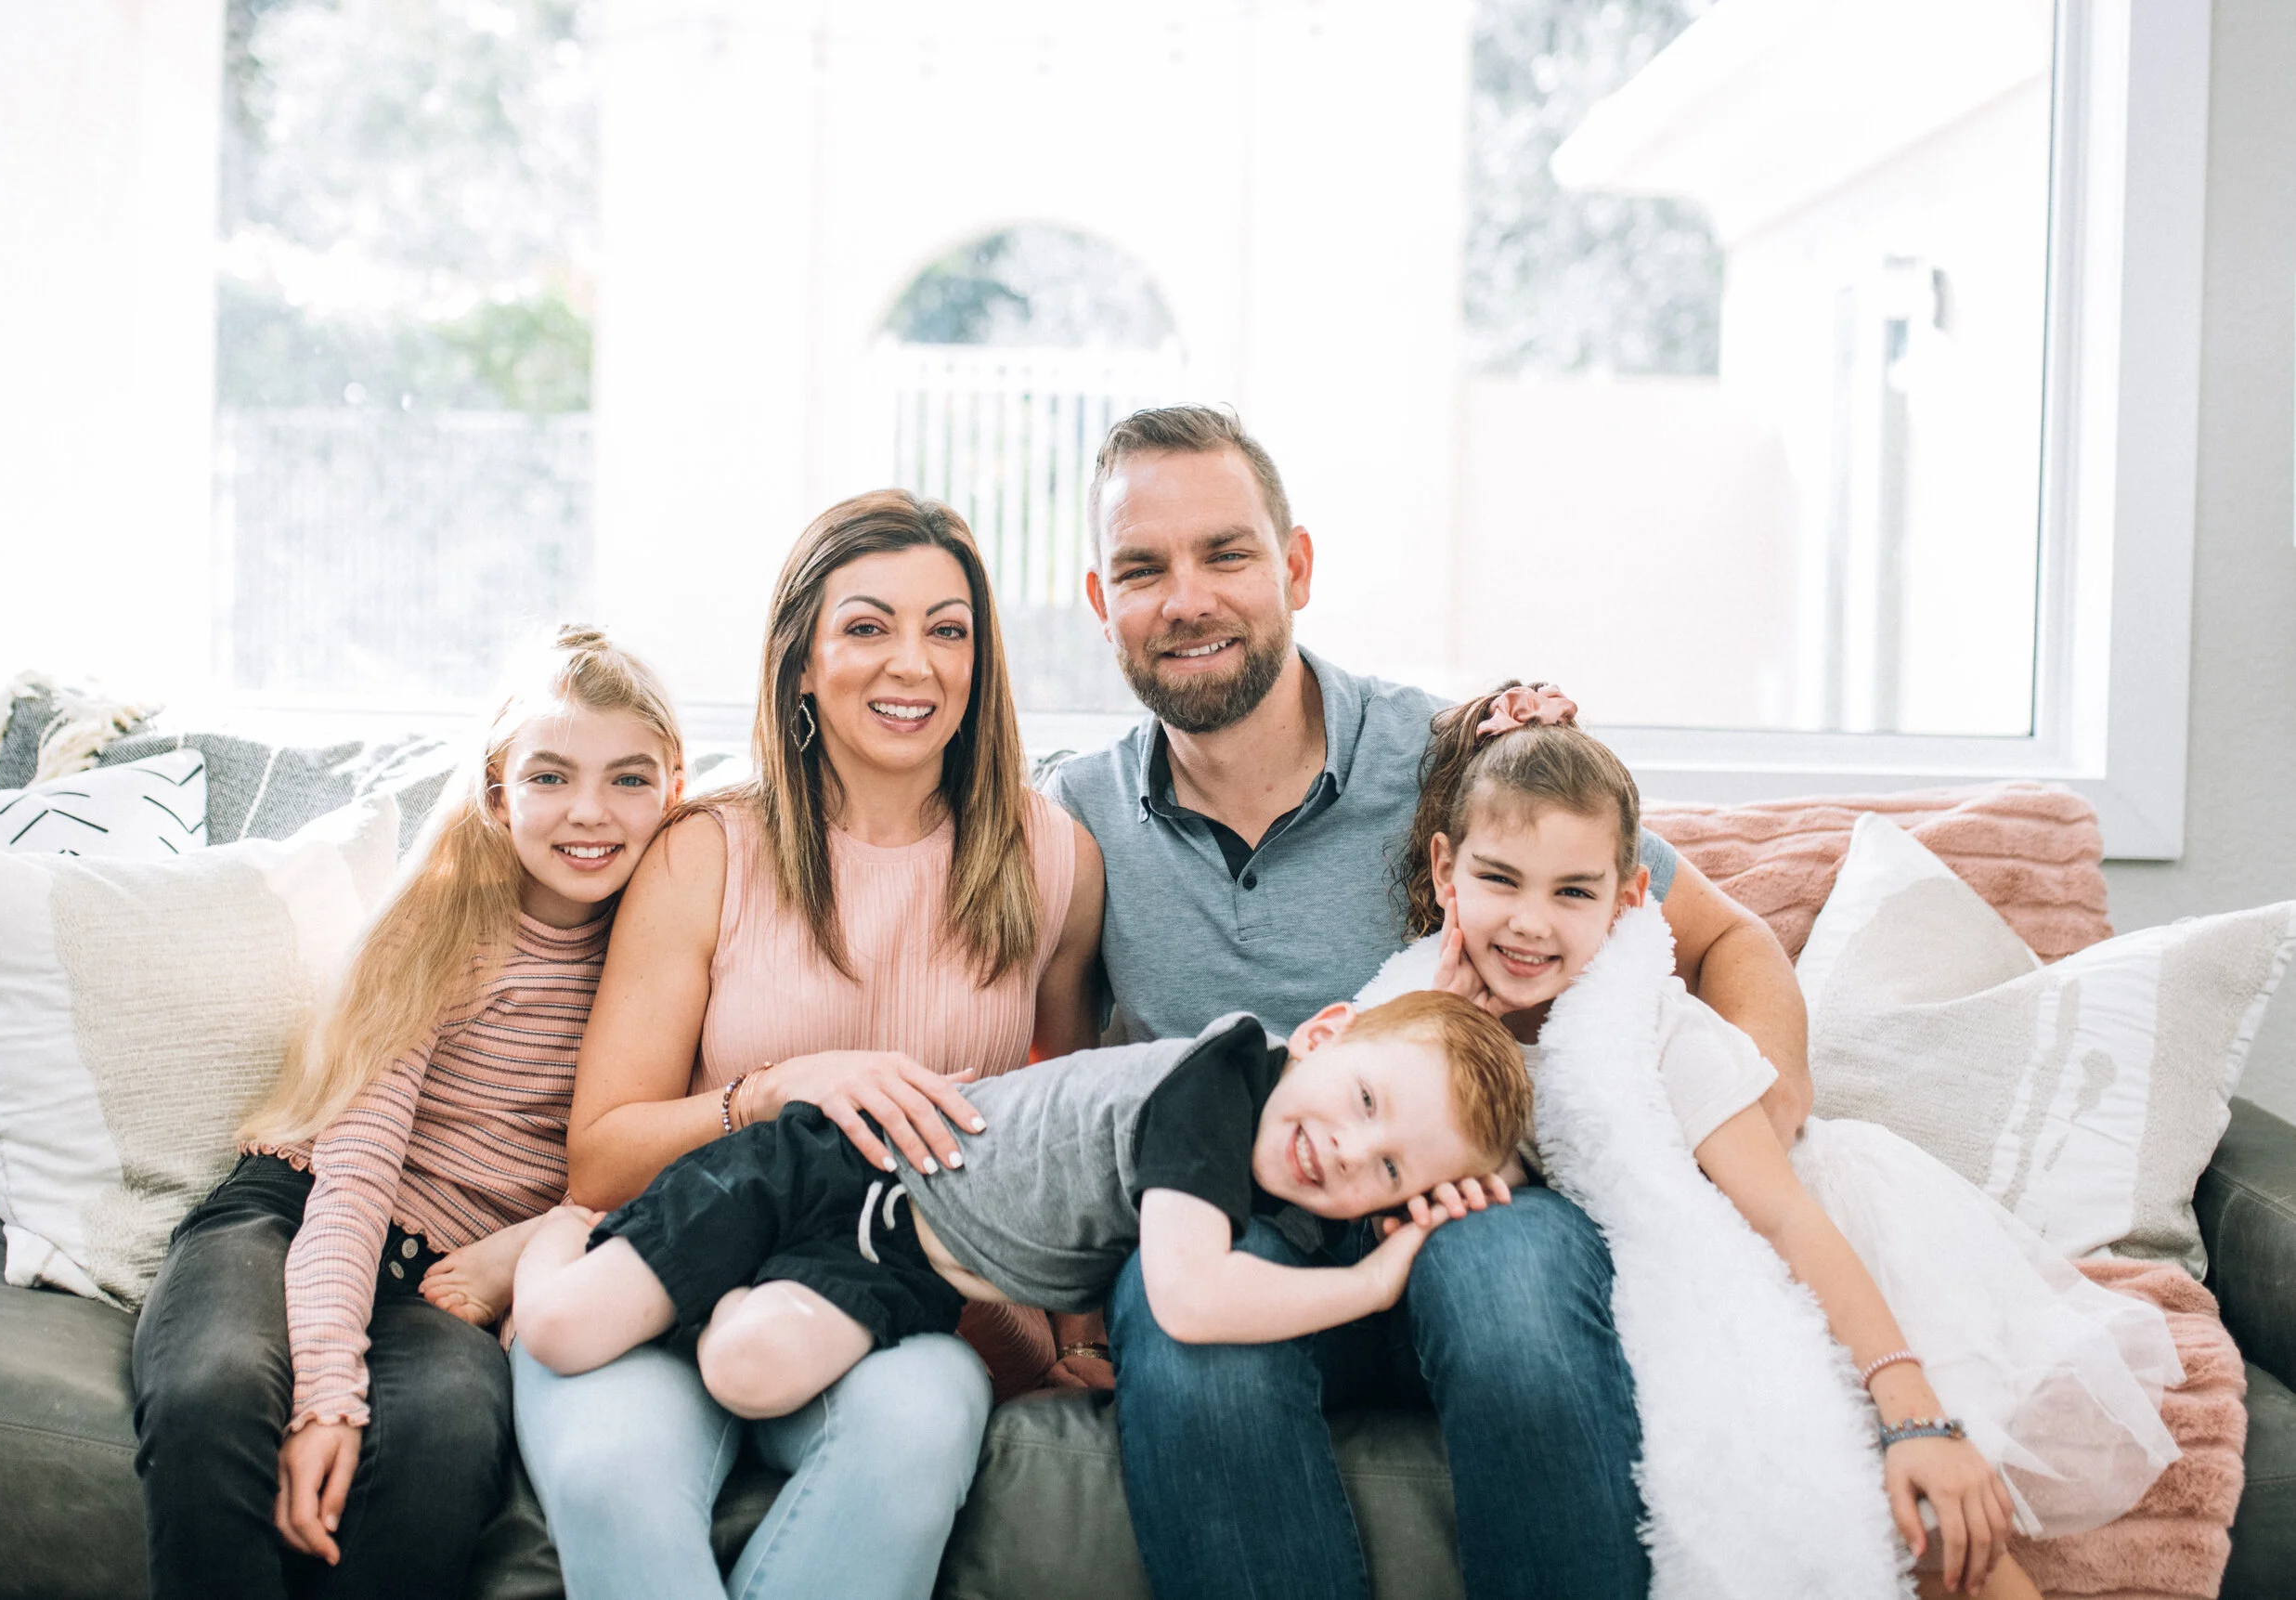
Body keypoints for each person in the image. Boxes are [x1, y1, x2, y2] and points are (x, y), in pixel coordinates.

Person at [1044, 405, 1812, 1600]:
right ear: (1103, 602)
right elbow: (1046, 1061)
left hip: (1473, 1214)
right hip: (1240, 1222)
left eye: (1227, 554)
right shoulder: (1075, 817)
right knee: (1183, 1319)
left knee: (1501, 1276)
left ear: (1294, 567)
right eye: (1144, 569)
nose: (1186, 598)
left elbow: (1728, 940)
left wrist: (1765, 1125)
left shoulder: (1448, 760)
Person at [1364, 686, 2182, 1599]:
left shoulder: (1654, 1033)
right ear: (1446, 873)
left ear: (1629, 898)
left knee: (1931, 1526)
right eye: (1500, 879)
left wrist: (1913, 1413)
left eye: (1572, 891)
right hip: (1656, 1292)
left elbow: (1788, 1218)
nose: (1528, 921)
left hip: (1811, 1259)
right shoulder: (1421, 1019)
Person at [514, 489, 1106, 1600]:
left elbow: (1062, 1125)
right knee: (608, 1478)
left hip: (893, 1295)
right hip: (665, 1260)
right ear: (799, 661)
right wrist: (785, 1087)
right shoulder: (708, 852)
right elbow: (598, 1157)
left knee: (913, 1443)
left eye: (948, 629)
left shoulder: (1054, 862)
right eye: (868, 626)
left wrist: (1080, 1333)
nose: (913, 665)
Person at [127, 626, 687, 1600]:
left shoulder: (681, 947)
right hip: (296, 1210)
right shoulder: (439, 921)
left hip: (450, 1279)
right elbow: (355, 1177)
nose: (589, 812)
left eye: (628, 779)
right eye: (551, 777)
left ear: (675, 788)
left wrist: (535, 1242)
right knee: (214, 1392)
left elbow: (682, 1162)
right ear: (498, 790)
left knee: (447, 1439)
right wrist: (328, 1399)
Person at [511, 993, 1528, 1411]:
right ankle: (564, 1236)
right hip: (840, 1162)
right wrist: (1376, 1277)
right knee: (559, 1331)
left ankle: (720, 1296)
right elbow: (1189, 1300)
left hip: (899, 1266)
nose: (1348, 1151)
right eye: (1361, 1100)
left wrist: (1474, 1188)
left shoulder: (1298, 1178)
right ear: (1322, 1033)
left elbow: (1424, 1183)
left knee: (750, 1372)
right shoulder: (1222, 1081)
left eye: (1391, 1169)